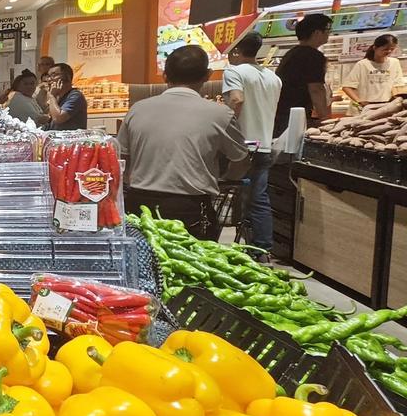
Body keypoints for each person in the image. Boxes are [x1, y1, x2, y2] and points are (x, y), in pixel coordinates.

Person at [118, 45, 250, 240]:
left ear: (164, 75)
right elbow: (241, 161)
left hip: (139, 207)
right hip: (191, 210)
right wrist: (226, 177)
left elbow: (121, 159)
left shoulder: (137, 109)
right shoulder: (220, 114)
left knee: (143, 264)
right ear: (207, 75)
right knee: (191, 268)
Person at [223, 32, 282, 252]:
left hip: (242, 146)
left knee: (216, 190)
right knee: (258, 198)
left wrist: (224, 121)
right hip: (264, 144)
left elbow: (237, 99)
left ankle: (213, 241)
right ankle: (261, 248)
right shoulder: (273, 78)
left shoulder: (234, 71)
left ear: (237, 51)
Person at [273, 13, 332, 136]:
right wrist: (326, 121)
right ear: (316, 33)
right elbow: (316, 89)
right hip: (293, 117)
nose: (329, 34)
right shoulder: (313, 56)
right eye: (327, 30)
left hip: (280, 115)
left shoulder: (292, 53)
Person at [342, 34, 403, 107]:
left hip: (387, 105)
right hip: (366, 106)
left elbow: (398, 85)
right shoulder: (362, 64)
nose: (389, 51)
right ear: (375, 48)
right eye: (385, 49)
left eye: (392, 49)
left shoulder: (395, 62)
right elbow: (346, 87)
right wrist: (359, 101)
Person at [46, 63, 88, 130]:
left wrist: (52, 96)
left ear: (67, 77)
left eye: (53, 75)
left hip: (70, 139)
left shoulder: (75, 96)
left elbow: (58, 118)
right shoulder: (58, 96)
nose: (49, 79)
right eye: (48, 76)